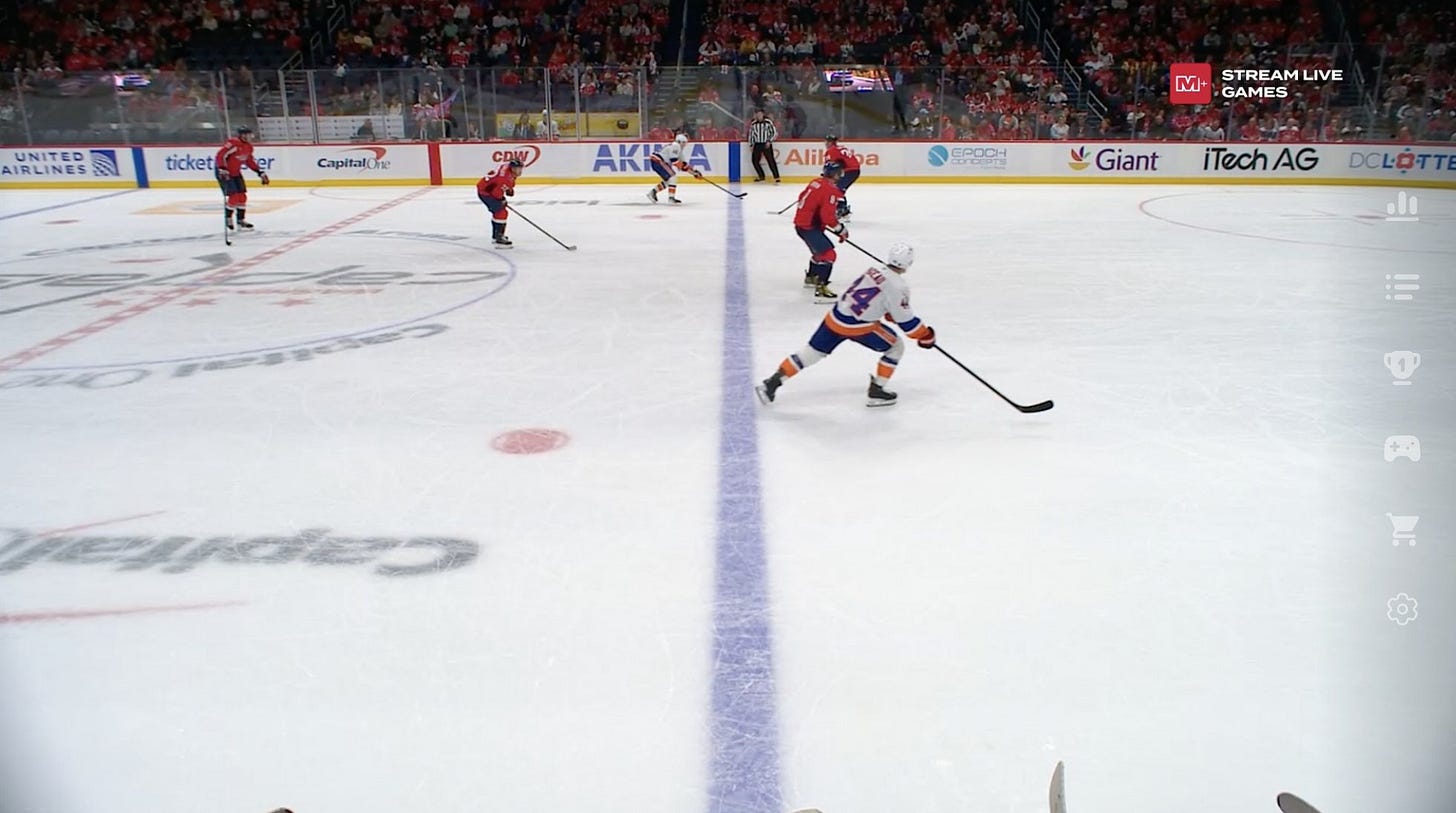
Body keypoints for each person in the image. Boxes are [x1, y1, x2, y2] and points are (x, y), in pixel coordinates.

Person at [755, 242, 935, 408]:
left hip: (835, 317)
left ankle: (771, 384)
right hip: (857, 326)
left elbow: (873, 298)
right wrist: (926, 336)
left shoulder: (873, 270)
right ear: (909, 263)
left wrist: (887, 312)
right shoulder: (898, 286)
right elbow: (907, 323)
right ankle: (877, 391)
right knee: (896, 347)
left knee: (811, 352)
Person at [793, 160, 849, 302]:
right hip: (809, 226)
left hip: (802, 225)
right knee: (829, 254)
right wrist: (841, 229)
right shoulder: (830, 190)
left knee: (820, 252)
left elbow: (801, 198)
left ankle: (812, 277)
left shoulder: (815, 182)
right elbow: (828, 217)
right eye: (839, 173)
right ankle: (821, 286)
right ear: (835, 175)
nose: (840, 176)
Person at [215, 125, 269, 231]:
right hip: (224, 172)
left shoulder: (249, 147)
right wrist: (222, 168)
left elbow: (249, 161)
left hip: (235, 173)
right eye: (249, 134)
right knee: (234, 197)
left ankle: (241, 220)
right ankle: (228, 218)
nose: (251, 137)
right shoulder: (233, 143)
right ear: (243, 135)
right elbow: (220, 155)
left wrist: (260, 172)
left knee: (242, 197)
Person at [476, 158, 524, 247]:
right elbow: (497, 192)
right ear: (512, 168)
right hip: (486, 193)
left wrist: (508, 189)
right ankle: (499, 237)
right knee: (501, 212)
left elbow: (502, 182)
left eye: (520, 168)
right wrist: (501, 200)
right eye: (517, 168)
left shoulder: (507, 168)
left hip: (487, 188)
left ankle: (496, 235)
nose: (520, 170)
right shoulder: (504, 179)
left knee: (499, 212)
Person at [647, 133, 702, 204]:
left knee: (670, 180)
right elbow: (675, 162)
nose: (685, 145)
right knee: (673, 178)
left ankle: (653, 193)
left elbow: (684, 164)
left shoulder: (678, 149)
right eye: (684, 143)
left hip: (657, 161)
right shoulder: (676, 146)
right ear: (679, 142)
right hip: (658, 161)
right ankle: (671, 198)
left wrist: (694, 173)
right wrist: (691, 171)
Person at [823, 135, 860, 220]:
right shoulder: (841, 148)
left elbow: (830, 165)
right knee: (838, 189)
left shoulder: (831, 151)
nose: (825, 143)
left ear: (830, 142)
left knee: (836, 189)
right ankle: (842, 210)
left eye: (826, 142)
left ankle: (843, 211)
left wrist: (826, 176)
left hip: (848, 171)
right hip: (854, 171)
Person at [747, 109, 780, 183]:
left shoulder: (768, 122)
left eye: (760, 114)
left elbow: (774, 133)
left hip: (766, 143)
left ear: (763, 114)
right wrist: (751, 144)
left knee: (770, 160)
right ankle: (761, 176)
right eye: (757, 114)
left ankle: (776, 177)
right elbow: (751, 135)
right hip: (757, 144)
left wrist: (769, 141)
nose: (759, 116)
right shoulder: (753, 123)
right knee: (755, 161)